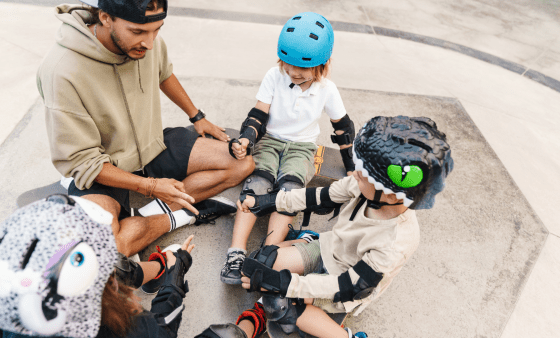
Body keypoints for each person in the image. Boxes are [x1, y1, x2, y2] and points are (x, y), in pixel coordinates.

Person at [36, 0, 254, 257]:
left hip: (153, 146)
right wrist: (150, 186)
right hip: (104, 169)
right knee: (99, 250)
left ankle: (145, 215)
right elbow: (85, 163)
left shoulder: (145, 42)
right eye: (138, 32)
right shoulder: (61, 71)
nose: (150, 43)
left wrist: (196, 116)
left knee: (242, 163)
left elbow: (164, 73)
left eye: (157, 30)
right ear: (105, 18)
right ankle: (179, 216)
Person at [237, 116, 454, 337]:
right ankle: (307, 243)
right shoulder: (365, 186)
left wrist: (285, 283)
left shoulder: (396, 242)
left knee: (283, 303)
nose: (356, 172)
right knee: (262, 262)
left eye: (364, 172)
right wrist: (269, 201)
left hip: (347, 283)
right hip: (328, 248)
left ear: (389, 192)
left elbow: (347, 285)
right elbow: (320, 196)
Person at [0, 195, 267, 338]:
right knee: (225, 336)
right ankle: (255, 320)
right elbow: (164, 325)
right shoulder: (132, 331)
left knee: (107, 267)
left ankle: (158, 268)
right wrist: (177, 276)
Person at [221, 12, 356, 285]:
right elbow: (258, 114)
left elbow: (343, 129)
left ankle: (266, 254)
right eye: (288, 64)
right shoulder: (274, 75)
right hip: (270, 140)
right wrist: (247, 138)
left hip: (302, 147)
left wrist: (351, 167)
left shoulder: (327, 89)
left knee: (290, 192)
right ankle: (235, 253)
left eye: (302, 68)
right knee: (256, 185)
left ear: (324, 64)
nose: (293, 72)